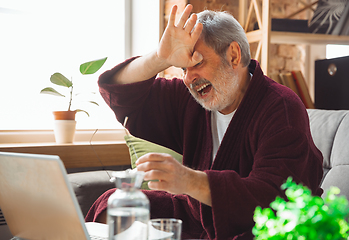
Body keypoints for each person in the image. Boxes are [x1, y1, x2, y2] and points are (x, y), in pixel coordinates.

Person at [85, 4, 323, 239]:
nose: (188, 78)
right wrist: (160, 58)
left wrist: (188, 180)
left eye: (197, 63)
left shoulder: (281, 107)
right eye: (182, 68)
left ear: (233, 55)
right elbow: (120, 92)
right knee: (113, 204)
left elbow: (273, 198)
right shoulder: (191, 100)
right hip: (197, 217)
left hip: (251, 226)